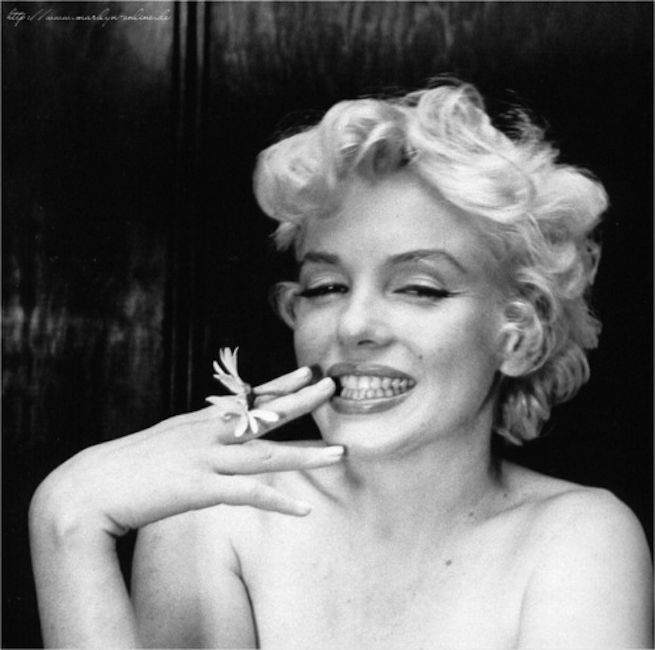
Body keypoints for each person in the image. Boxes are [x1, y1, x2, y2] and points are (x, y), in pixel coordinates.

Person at [29, 81, 652, 649]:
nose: (353, 327)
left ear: (521, 335)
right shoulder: (214, 516)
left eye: (420, 288)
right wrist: (67, 521)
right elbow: (73, 525)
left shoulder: (578, 537)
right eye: (326, 287)